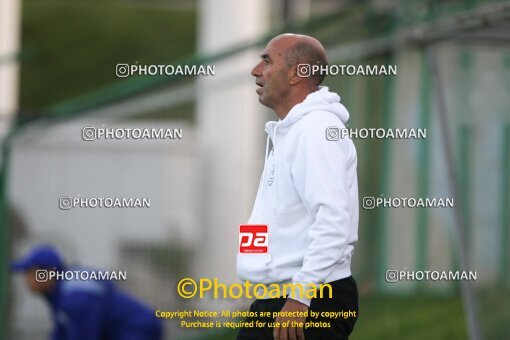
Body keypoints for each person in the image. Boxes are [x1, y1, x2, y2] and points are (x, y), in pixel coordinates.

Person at [236, 33, 359, 340]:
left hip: (308, 300)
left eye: (266, 60)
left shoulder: (315, 130)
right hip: (281, 298)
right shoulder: (292, 130)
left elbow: (332, 220)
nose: (255, 70)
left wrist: (300, 296)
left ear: (296, 73)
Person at [11, 245, 163, 340]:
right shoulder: (58, 293)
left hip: (136, 328)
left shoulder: (75, 296)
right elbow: (62, 333)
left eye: (29, 272)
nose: (26, 279)